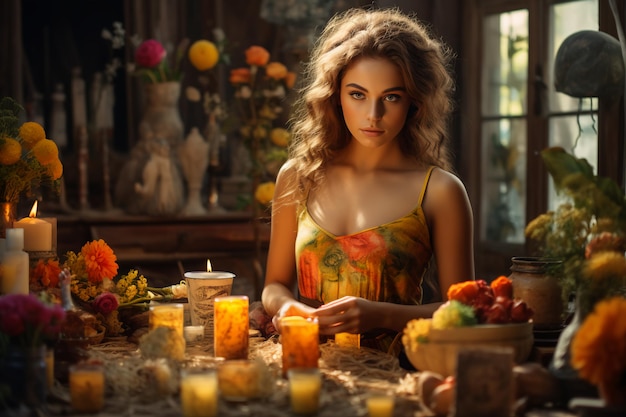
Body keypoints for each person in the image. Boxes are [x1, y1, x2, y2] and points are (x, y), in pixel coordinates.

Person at [261, 7, 475, 362]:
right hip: (306, 366)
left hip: (402, 375)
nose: (372, 116)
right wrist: (286, 308)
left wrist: (382, 315)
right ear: (334, 95)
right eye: (357, 94)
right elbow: (274, 285)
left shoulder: (440, 191)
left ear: (414, 103)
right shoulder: (297, 177)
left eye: (391, 97)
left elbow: (465, 311)